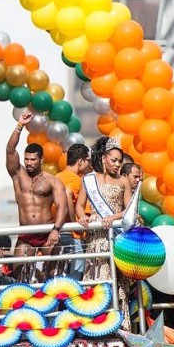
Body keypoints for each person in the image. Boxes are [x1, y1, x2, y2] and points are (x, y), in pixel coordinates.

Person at [75, 136, 133, 327]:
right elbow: (79, 205)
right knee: (97, 278)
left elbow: (129, 210)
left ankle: (119, 324)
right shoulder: (89, 180)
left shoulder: (123, 181)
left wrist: (114, 217)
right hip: (96, 240)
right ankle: (95, 324)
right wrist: (82, 216)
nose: (117, 165)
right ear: (103, 158)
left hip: (116, 239)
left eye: (119, 161)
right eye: (113, 160)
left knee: (116, 282)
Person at [5, 111, 69, 281]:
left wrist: (56, 230)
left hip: (47, 232)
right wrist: (20, 125)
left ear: (41, 160)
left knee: (54, 276)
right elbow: (10, 150)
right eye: (26, 159)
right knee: (20, 276)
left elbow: (63, 206)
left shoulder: (52, 181)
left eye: (33, 160)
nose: (29, 163)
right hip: (26, 234)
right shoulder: (18, 174)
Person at [55, 143, 92, 280]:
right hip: (73, 235)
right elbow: (68, 194)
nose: (89, 164)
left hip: (57, 232)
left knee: (58, 276)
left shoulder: (56, 177)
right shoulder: (78, 181)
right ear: (81, 161)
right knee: (75, 277)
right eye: (88, 161)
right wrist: (72, 223)